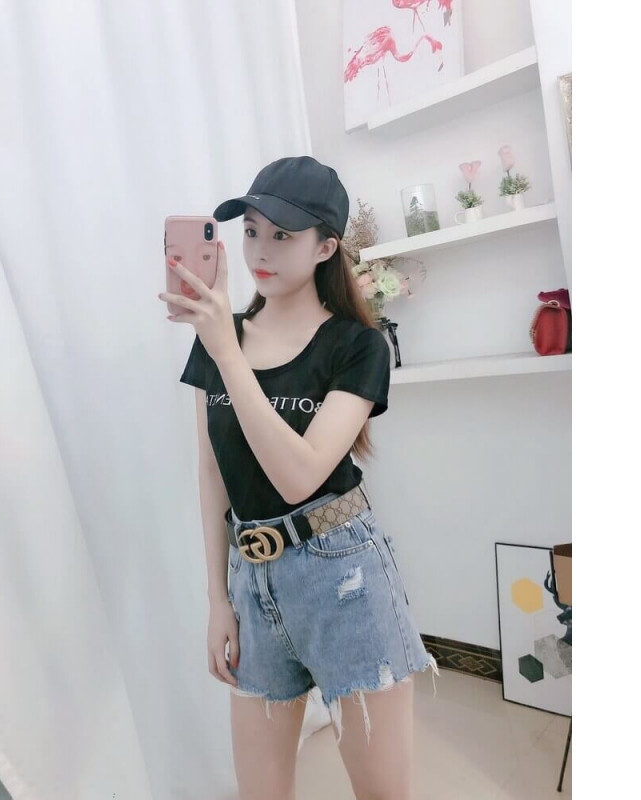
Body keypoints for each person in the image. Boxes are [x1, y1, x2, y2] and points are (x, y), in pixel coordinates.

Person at [161, 155, 439, 800]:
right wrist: (218, 599)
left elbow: (300, 477)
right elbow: (211, 470)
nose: (260, 249)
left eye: (283, 235)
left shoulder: (357, 346)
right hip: (251, 579)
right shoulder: (219, 335)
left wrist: (227, 352)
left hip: (344, 577)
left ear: (326, 247)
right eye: (251, 230)